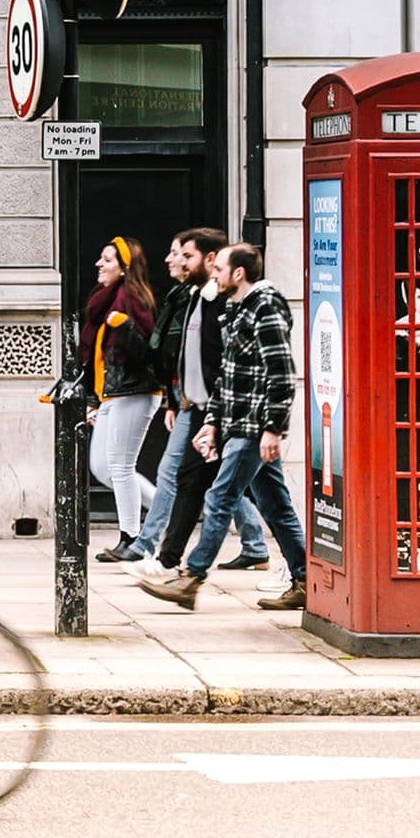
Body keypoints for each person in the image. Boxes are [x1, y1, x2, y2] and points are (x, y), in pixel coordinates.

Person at [137, 243, 309, 611]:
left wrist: (273, 429)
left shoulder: (266, 308)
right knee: (275, 505)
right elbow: (228, 375)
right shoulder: (236, 308)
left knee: (219, 497)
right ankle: (305, 578)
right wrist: (213, 422)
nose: (214, 274)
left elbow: (281, 374)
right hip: (236, 423)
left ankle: (191, 578)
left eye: (220, 269)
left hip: (253, 426)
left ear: (239, 274)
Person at [118, 229, 270, 574]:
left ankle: (174, 561)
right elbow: (184, 357)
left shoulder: (228, 304)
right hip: (200, 407)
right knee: (204, 484)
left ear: (213, 259)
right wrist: (177, 399)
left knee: (214, 488)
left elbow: (233, 364)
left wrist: (219, 417)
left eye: (186, 256)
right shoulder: (194, 298)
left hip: (229, 413)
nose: (177, 262)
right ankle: (173, 558)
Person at [82, 236, 162, 561]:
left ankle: (132, 538)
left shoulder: (133, 301)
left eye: (108, 259)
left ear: (125, 267)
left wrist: (127, 326)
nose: (99, 264)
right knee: (101, 467)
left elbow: (149, 352)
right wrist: (93, 399)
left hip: (135, 392)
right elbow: (95, 357)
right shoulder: (104, 300)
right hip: (110, 394)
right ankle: (165, 510)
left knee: (120, 466)